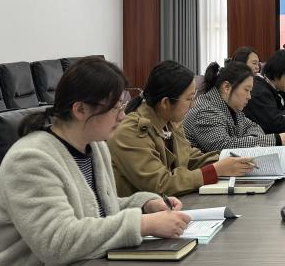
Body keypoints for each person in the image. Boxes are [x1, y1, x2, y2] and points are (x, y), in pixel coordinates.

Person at [0, 57, 192, 266]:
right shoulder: (30, 159)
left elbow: (96, 210)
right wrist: (142, 224)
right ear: (80, 110)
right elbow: (57, 242)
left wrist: (145, 205)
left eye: (122, 105)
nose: (123, 116)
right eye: (115, 108)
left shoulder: (95, 145)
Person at [109, 61, 256, 198]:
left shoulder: (170, 122)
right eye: (189, 99)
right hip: (141, 213)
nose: (193, 105)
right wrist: (216, 170)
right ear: (165, 103)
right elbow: (161, 184)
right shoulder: (130, 132)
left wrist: (231, 161)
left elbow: (190, 158)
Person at [185, 61, 285, 152]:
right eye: (246, 90)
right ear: (227, 87)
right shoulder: (205, 111)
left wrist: (247, 141)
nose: (249, 96)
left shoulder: (230, 106)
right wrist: (274, 140)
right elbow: (223, 147)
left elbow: (254, 127)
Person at [245, 49, 285, 135]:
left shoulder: (271, 88)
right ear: (280, 71)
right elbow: (275, 124)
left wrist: (283, 117)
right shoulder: (260, 91)